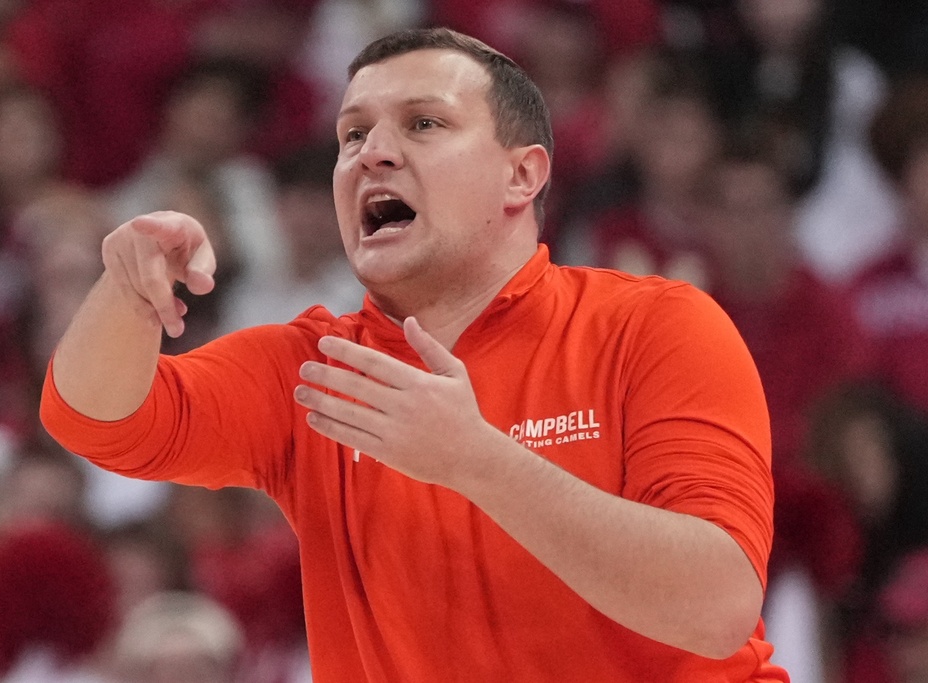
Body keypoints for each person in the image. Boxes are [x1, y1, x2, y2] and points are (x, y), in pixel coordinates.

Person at [41, 27, 787, 681]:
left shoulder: (652, 325)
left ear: (521, 175)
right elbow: (95, 421)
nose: (374, 154)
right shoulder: (316, 369)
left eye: (424, 123)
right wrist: (127, 289)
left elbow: (716, 604)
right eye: (352, 135)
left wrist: (476, 460)